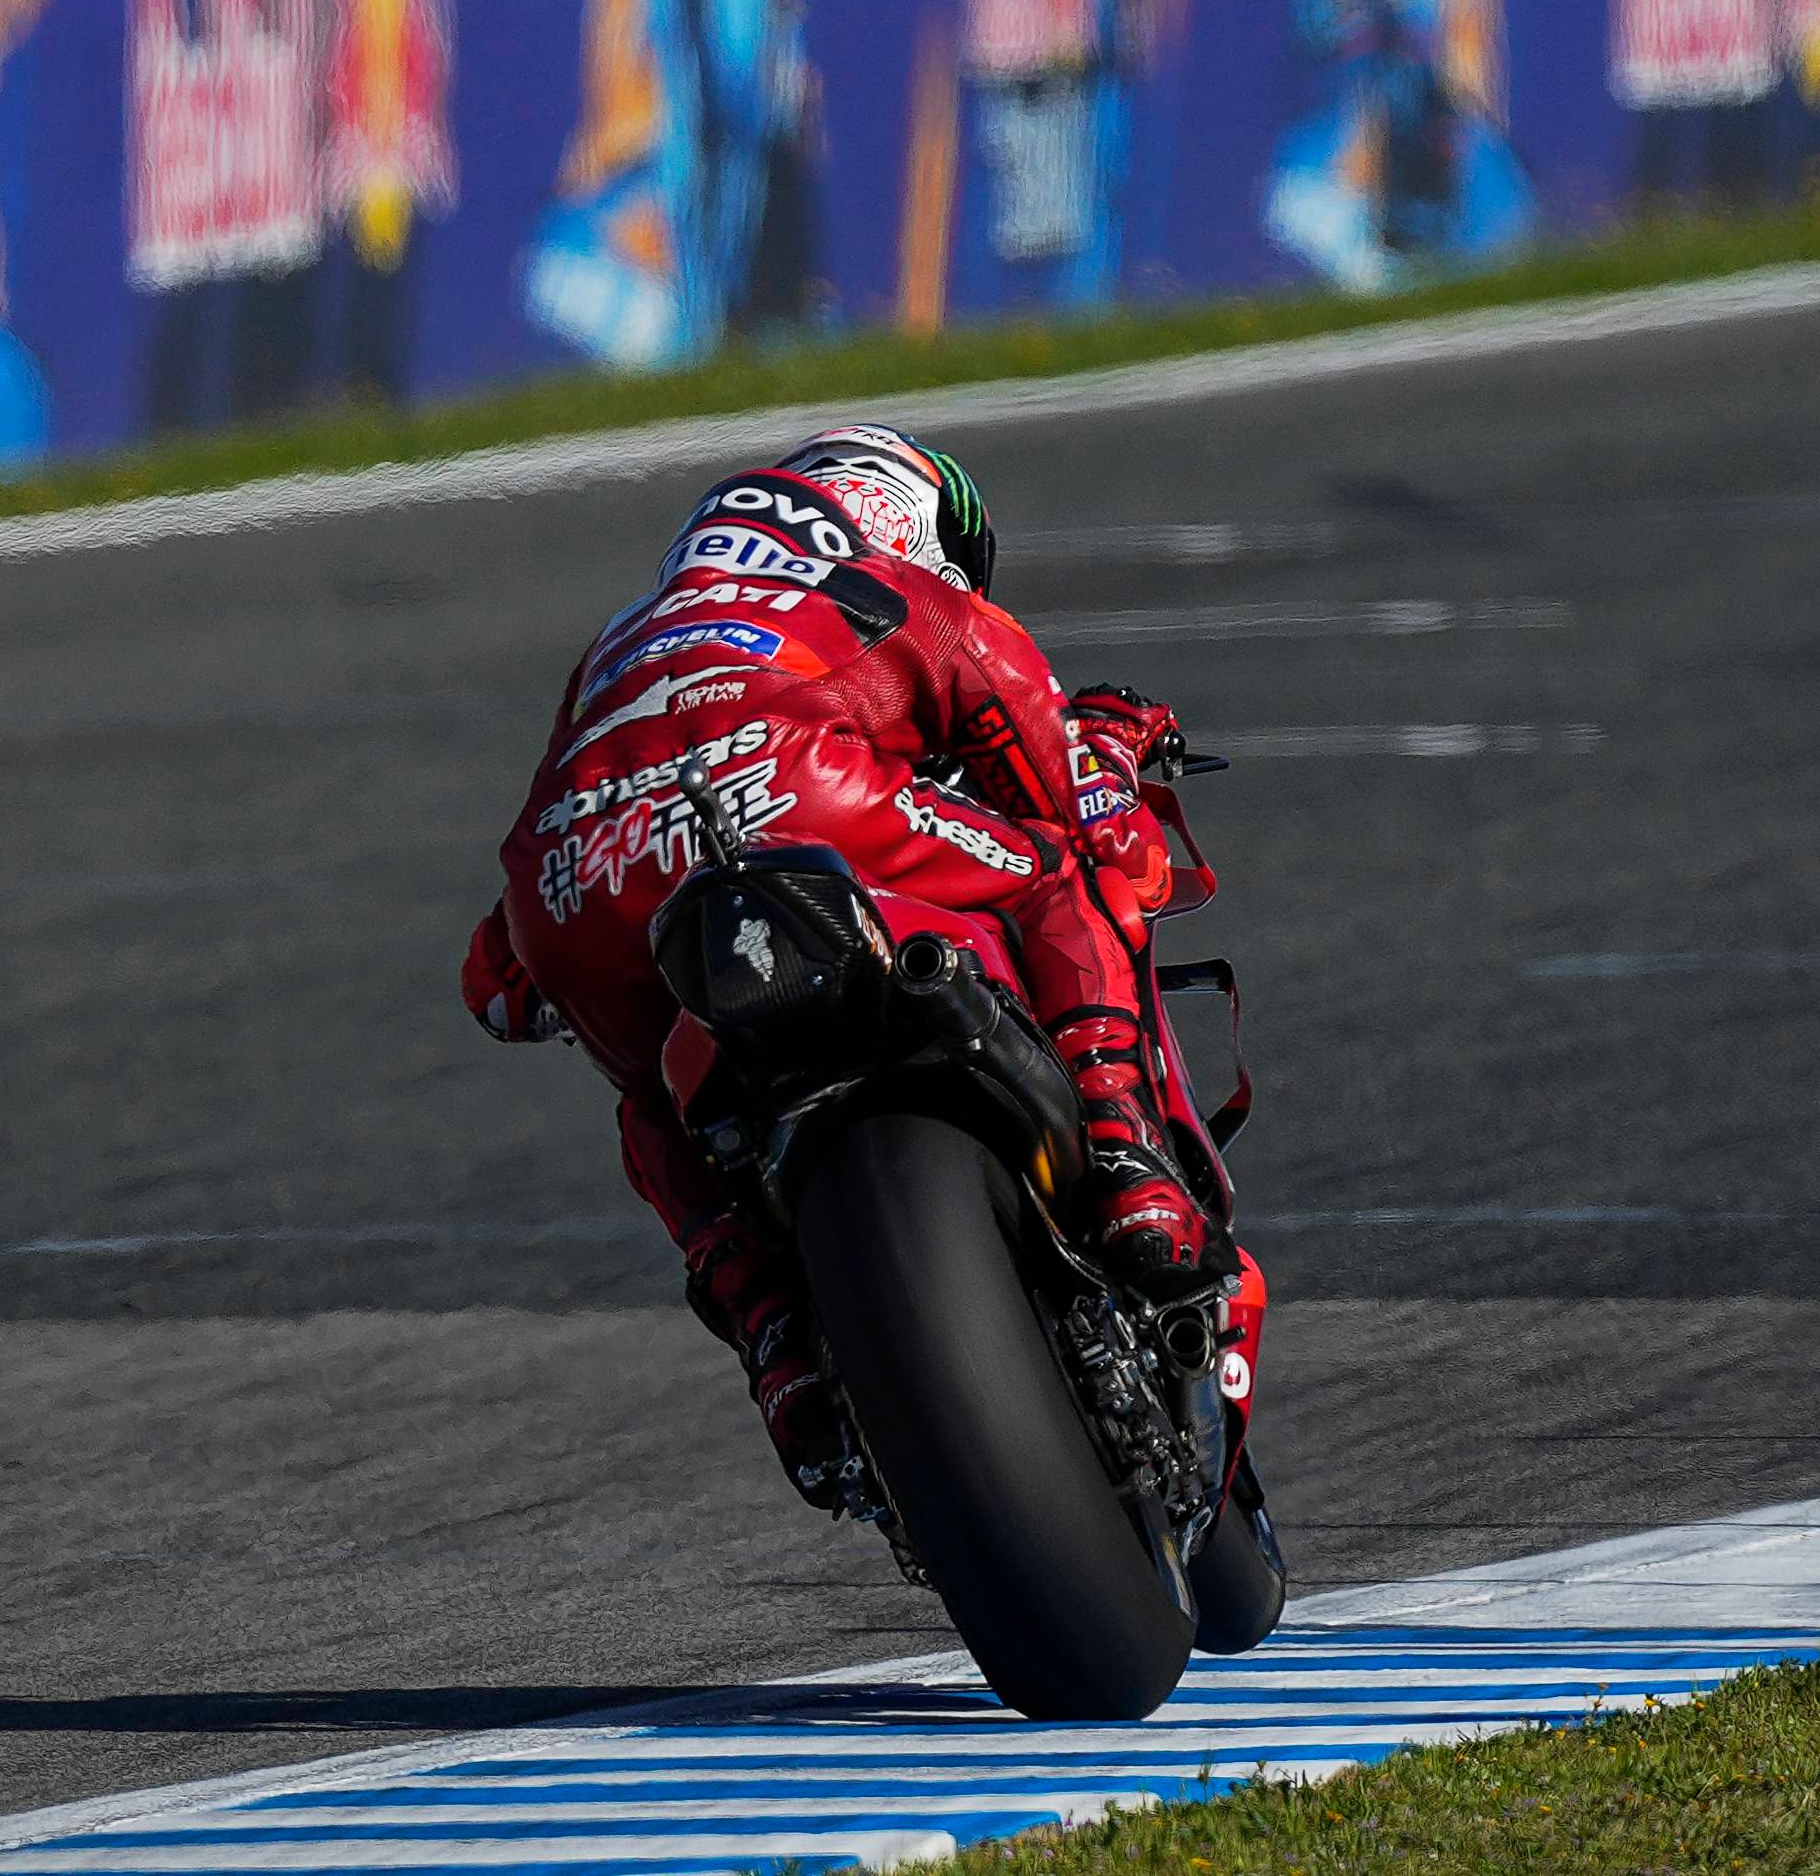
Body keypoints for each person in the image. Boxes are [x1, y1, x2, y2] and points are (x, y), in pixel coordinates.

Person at [462, 423, 1252, 1504]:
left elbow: (496, 985)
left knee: (651, 1096)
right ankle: (1123, 1155)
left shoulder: (619, 642)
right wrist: (1105, 751)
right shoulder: (882, 589)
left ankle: (775, 1338)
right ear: (913, 526)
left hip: (575, 881)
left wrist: (568, 978)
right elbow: (1102, 831)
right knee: (1060, 877)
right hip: (802, 789)